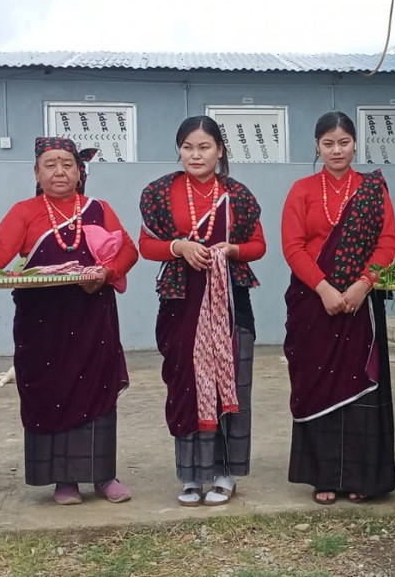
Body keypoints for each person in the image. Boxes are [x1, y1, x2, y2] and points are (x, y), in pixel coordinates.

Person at [0, 137, 137, 504]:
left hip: (92, 316)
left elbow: (128, 249)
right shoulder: (25, 211)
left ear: (80, 171)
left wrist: (107, 272)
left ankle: (102, 476)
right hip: (42, 324)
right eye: (50, 164)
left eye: (67, 163)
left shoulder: (99, 208)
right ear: (37, 172)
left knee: (96, 391)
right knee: (51, 392)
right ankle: (63, 480)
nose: (60, 171)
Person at [139, 116, 266, 506]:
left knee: (231, 384)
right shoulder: (160, 192)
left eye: (205, 147)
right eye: (188, 147)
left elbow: (258, 245)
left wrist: (231, 250)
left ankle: (226, 473)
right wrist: (178, 248)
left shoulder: (238, 195)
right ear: (179, 149)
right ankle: (192, 477)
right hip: (181, 301)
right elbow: (146, 245)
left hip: (230, 301)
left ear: (220, 151)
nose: (196, 154)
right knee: (189, 386)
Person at [282, 111, 395, 504]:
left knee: (359, 386)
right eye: (328, 143)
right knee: (319, 387)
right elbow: (293, 246)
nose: (336, 150)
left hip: (360, 305)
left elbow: (388, 242)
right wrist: (324, 289)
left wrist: (364, 284)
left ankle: (363, 477)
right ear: (317, 146)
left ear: (354, 144)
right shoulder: (301, 189)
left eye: (344, 142)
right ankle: (325, 476)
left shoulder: (372, 189)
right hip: (315, 305)